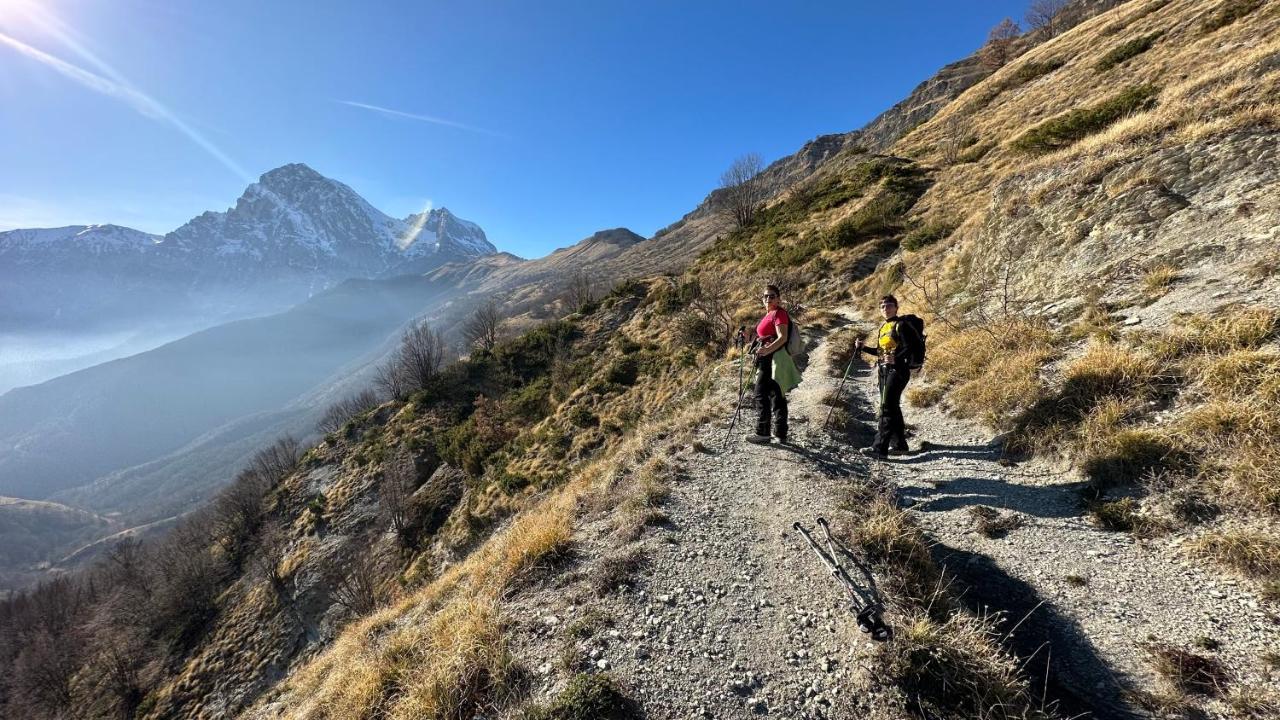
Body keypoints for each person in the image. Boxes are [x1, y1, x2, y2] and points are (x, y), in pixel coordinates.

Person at [854, 294, 920, 460]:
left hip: (898, 370)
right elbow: (880, 352)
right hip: (884, 370)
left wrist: (896, 358)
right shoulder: (884, 327)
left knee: (886, 408)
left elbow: (910, 346)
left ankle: (879, 449)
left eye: (889, 305)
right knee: (892, 406)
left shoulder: (901, 325)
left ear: (896, 307)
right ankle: (900, 446)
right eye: (883, 306)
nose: (886, 308)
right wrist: (864, 348)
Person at [746, 285, 791, 444]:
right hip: (773, 358)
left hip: (772, 359)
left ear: (779, 299)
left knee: (760, 393)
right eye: (765, 296)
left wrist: (766, 350)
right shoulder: (769, 314)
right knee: (777, 395)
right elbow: (767, 336)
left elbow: (782, 337)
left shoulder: (779, 314)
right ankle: (780, 433)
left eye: (772, 296)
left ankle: (763, 431)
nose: (768, 299)